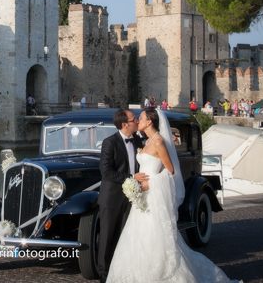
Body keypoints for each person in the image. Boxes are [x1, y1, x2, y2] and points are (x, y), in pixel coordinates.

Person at [106, 109, 240, 283]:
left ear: (149, 122)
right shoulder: (145, 141)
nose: (137, 120)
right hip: (142, 198)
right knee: (138, 238)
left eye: (141, 118)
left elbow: (170, 170)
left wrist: (150, 183)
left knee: (156, 236)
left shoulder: (159, 142)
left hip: (152, 193)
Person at [97, 108, 147, 283]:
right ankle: (103, 272)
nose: (137, 121)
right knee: (107, 235)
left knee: (125, 234)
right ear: (125, 124)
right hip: (111, 197)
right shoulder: (109, 142)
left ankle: (121, 269)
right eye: (134, 119)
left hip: (132, 197)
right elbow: (106, 172)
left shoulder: (138, 140)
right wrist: (131, 177)